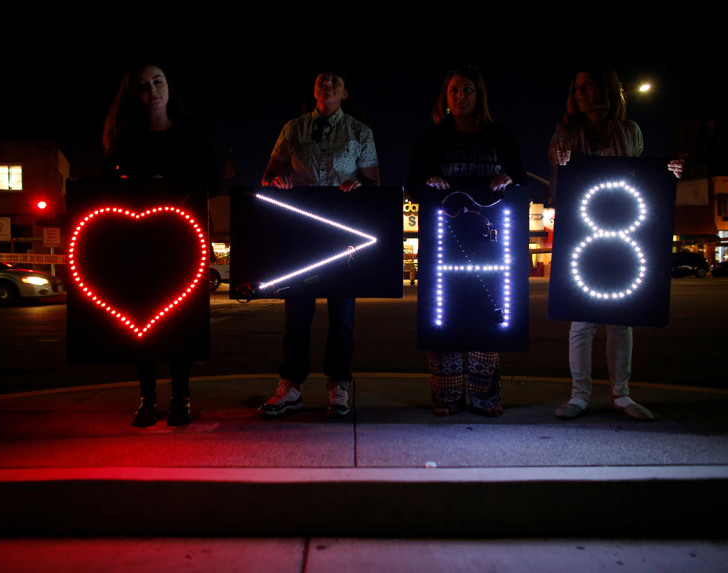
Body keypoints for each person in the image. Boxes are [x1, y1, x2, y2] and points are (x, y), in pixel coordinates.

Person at [549, 61, 682, 422]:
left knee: (620, 319)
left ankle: (620, 394)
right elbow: (561, 186)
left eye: (588, 85)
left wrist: (669, 176)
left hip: (624, 227)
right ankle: (580, 394)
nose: (581, 92)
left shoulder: (629, 131)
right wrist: (562, 165)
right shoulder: (565, 135)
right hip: (583, 231)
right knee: (581, 321)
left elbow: (643, 178)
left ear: (606, 90)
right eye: (577, 86)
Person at [259, 66, 380, 418]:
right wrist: (276, 180)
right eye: (322, 80)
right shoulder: (293, 129)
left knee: (342, 314)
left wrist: (358, 187)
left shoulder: (360, 132)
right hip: (302, 232)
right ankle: (291, 386)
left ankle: (338, 384)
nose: (327, 84)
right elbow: (269, 173)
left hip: (344, 235)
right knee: (296, 313)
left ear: (345, 94)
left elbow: (373, 184)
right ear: (314, 90)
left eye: (335, 81)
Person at [102, 61, 218, 427]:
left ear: (169, 86)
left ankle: (181, 397)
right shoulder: (125, 137)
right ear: (133, 94)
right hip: (139, 240)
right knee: (142, 316)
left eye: (159, 81)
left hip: (183, 237)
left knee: (180, 318)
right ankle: (147, 398)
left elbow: (212, 183)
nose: (152, 90)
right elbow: (109, 186)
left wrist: (173, 186)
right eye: (143, 85)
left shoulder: (191, 132)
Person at [407, 65, 527, 416]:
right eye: (454, 90)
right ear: (446, 97)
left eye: (468, 89)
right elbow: (412, 184)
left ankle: (485, 396)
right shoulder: (432, 138)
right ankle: (447, 396)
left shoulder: (501, 136)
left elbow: (519, 179)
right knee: (443, 314)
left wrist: (508, 178)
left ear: (480, 94)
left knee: (488, 314)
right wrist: (429, 182)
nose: (461, 96)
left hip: (490, 240)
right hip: (443, 238)